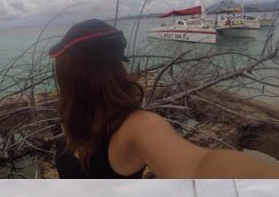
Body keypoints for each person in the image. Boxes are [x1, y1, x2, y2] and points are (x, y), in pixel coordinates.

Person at [48, 19, 279, 179]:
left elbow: (197, 165)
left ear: (66, 77)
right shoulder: (72, 117)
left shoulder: (137, 126)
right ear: (116, 69)